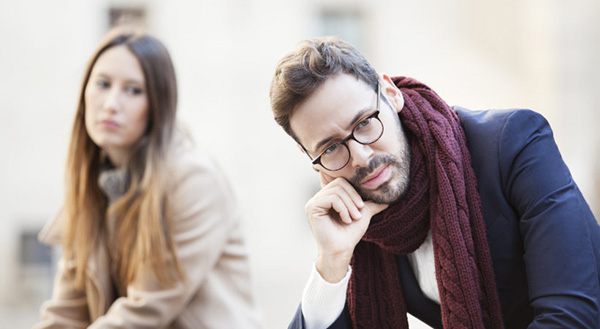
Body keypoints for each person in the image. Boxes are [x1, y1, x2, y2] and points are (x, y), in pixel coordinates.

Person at [269, 36, 600, 329]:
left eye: (365, 122)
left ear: (389, 93)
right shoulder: (359, 223)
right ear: (308, 155)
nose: (361, 156)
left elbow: (573, 316)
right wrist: (332, 263)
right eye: (330, 147)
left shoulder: (512, 143)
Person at [34, 26, 262, 329]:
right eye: (102, 84)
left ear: (158, 105)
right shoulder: (91, 187)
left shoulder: (194, 181)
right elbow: (66, 313)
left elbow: (144, 311)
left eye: (133, 90)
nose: (111, 103)